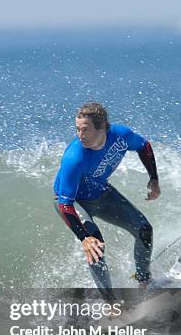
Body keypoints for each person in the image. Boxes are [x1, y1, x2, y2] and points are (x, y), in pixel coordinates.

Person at [54, 102, 160, 290]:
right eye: (77, 130)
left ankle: (143, 282)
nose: (80, 136)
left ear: (102, 127)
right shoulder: (75, 157)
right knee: (96, 248)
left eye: (85, 130)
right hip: (74, 203)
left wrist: (154, 179)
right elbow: (65, 204)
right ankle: (111, 305)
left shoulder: (121, 136)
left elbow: (144, 146)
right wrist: (84, 238)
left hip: (100, 193)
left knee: (144, 230)